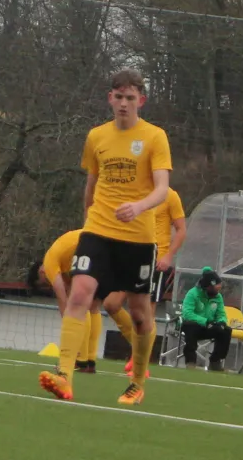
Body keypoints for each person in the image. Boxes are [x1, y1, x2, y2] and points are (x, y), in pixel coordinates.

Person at [39, 69, 170, 406]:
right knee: (80, 293)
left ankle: (136, 383)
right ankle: (64, 375)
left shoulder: (155, 137)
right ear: (110, 98)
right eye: (119, 97)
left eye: (130, 98)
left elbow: (162, 189)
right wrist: (87, 222)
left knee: (139, 313)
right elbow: (92, 182)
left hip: (138, 238)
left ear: (141, 100)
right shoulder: (96, 136)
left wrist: (138, 206)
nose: (124, 103)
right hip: (98, 230)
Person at [36, 229, 135, 373]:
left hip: (100, 247)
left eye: (45, 283)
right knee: (94, 305)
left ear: (41, 272)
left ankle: (81, 360)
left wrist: (69, 324)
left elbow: (62, 297)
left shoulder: (49, 264)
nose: (49, 284)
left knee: (81, 305)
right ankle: (90, 360)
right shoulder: (64, 260)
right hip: (113, 246)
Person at [176, 267, 232, 372]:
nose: (218, 291)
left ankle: (215, 361)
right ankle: (191, 362)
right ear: (208, 287)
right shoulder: (192, 293)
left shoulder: (218, 297)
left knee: (226, 331)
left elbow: (221, 314)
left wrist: (221, 322)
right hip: (195, 326)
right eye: (216, 288)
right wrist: (205, 321)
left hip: (209, 327)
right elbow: (187, 314)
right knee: (190, 325)